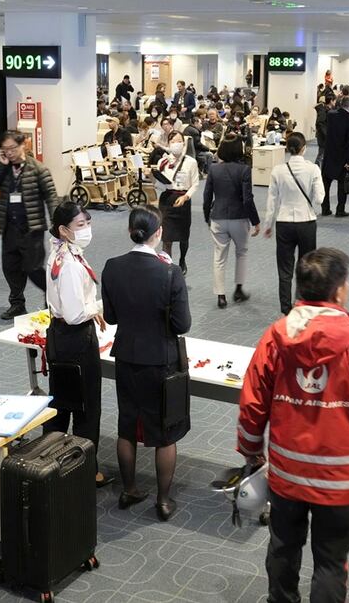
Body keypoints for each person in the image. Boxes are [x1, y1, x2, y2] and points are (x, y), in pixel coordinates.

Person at [238, 247, 349, 603]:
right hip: (339, 483)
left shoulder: (275, 336)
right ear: (339, 290)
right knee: (330, 561)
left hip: (287, 474)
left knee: (283, 548)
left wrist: (251, 450)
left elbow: (253, 403)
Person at [101, 205, 192, 522]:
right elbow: (183, 324)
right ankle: (163, 501)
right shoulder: (170, 272)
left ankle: (129, 489)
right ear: (159, 234)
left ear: (130, 231)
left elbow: (110, 317)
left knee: (127, 425)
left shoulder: (112, 267)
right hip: (161, 360)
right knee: (165, 432)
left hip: (126, 356)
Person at [42, 201, 112, 486]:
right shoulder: (69, 264)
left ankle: (49, 462)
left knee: (62, 402)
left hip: (60, 336)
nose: (87, 230)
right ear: (63, 230)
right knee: (86, 407)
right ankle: (87, 471)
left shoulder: (60, 252)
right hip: (75, 338)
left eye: (88, 223)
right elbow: (73, 314)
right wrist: (96, 309)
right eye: (80, 226)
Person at [0, 130, 59, 320]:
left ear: (23, 145)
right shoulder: (5, 168)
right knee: (10, 267)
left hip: (31, 228)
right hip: (9, 227)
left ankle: (54, 299)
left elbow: (51, 197)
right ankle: (17, 304)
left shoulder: (38, 169)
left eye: (12, 148)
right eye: (5, 149)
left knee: (33, 268)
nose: (9, 153)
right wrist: (1, 165)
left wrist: (58, 225)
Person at [264, 132, 325, 315]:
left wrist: (268, 225)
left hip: (284, 223)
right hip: (306, 222)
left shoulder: (278, 170)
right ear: (304, 148)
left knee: (284, 268)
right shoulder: (313, 169)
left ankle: (285, 308)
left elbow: (271, 201)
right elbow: (320, 199)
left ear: (288, 149)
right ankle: (301, 303)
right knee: (306, 266)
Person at [203, 135, 259, 309]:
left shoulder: (213, 169)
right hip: (239, 218)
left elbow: (206, 196)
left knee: (219, 257)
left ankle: (221, 296)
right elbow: (247, 199)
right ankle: (239, 289)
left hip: (218, 217)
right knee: (241, 252)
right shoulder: (244, 169)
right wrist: (256, 221)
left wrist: (207, 216)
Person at [155, 132, 199, 274]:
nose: (176, 144)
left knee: (183, 235)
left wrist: (186, 197)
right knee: (166, 237)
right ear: (168, 144)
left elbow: (195, 184)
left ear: (184, 144)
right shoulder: (163, 162)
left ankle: (182, 259)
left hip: (183, 199)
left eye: (179, 141)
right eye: (173, 141)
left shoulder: (191, 162)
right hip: (167, 200)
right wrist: (152, 177)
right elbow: (159, 184)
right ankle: (167, 266)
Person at [322, 96, 349, 218]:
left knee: (326, 184)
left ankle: (325, 208)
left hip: (329, 154)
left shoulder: (331, 115)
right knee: (342, 185)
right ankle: (340, 210)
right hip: (342, 157)